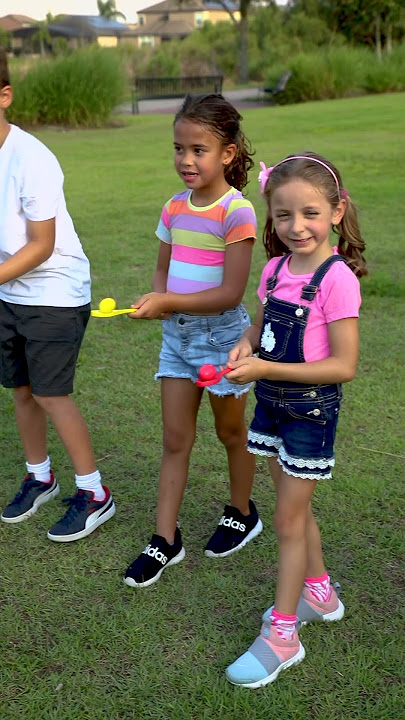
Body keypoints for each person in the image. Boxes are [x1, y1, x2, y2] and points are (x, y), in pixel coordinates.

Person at [224, 152, 367, 687]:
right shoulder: (275, 268)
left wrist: (264, 365)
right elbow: (260, 325)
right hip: (273, 404)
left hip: (310, 410)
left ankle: (283, 637)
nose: (295, 226)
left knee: (287, 518)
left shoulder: (337, 280)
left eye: (309, 212)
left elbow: (344, 365)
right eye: (283, 215)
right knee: (294, 507)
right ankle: (320, 594)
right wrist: (245, 348)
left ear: (336, 211)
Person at [123, 93, 262, 588]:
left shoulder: (236, 211)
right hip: (176, 340)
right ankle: (165, 540)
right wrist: (155, 301)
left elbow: (231, 293)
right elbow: (163, 272)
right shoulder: (174, 207)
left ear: (227, 152)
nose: (186, 160)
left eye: (198, 150)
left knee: (230, 433)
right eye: (178, 148)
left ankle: (242, 512)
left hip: (223, 339)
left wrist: (170, 303)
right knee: (175, 439)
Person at [0, 49, 115, 541]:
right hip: (8, 288)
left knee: (49, 392)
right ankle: (40, 476)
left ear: (4, 96)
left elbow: (42, 246)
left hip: (53, 289)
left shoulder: (32, 158)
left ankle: (94, 493)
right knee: (21, 389)